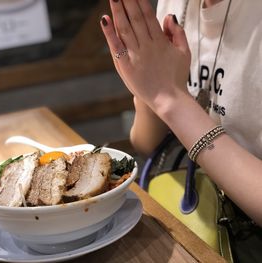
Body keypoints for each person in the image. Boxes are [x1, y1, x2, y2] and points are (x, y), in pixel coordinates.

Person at [99, 0, 262, 229]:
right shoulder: (177, 4)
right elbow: (147, 142)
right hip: (193, 215)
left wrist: (171, 100)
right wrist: (147, 89)